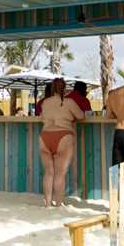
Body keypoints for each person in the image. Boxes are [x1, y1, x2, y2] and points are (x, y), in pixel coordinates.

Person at [38, 77, 85, 207]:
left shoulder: (45, 102)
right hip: (63, 135)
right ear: (64, 89)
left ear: (52, 88)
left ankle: (47, 203)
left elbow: (41, 118)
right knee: (60, 173)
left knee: (48, 172)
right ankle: (58, 204)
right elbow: (81, 116)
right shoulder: (69, 102)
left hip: (45, 136)